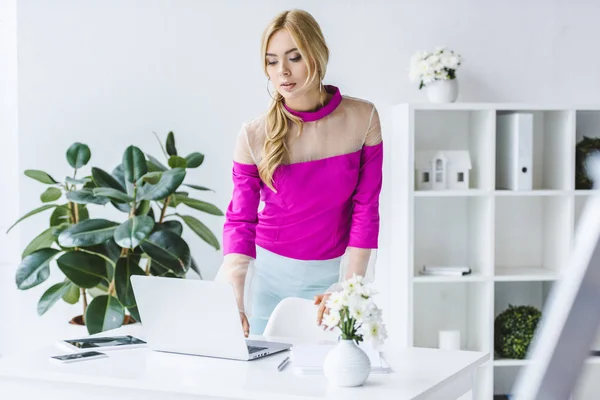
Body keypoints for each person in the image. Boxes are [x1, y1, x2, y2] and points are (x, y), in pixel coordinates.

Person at [215, 9, 383, 336]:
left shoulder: (362, 118)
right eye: (272, 61)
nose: (283, 72)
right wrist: (235, 298)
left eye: (294, 57)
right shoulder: (253, 134)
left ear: (317, 56)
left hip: (328, 280)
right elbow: (240, 218)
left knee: (326, 376)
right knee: (259, 379)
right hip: (265, 279)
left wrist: (348, 288)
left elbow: (366, 209)